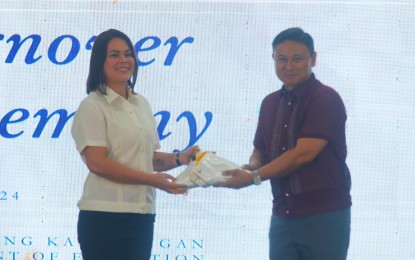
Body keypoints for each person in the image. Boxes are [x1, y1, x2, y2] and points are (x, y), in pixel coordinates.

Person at [219, 27, 352, 259]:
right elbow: (260, 150)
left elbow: (303, 154)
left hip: (324, 216)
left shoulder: (325, 99)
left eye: (297, 59)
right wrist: (253, 165)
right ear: (273, 60)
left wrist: (255, 177)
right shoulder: (270, 102)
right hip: (283, 214)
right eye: (282, 59)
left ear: (314, 59)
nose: (288, 66)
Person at [71, 29, 198, 260]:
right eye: (114, 55)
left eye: (128, 54)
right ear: (100, 61)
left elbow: (147, 159)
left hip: (142, 214)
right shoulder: (92, 105)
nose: (123, 60)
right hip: (104, 216)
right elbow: (97, 163)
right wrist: (151, 180)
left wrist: (181, 158)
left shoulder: (141, 104)